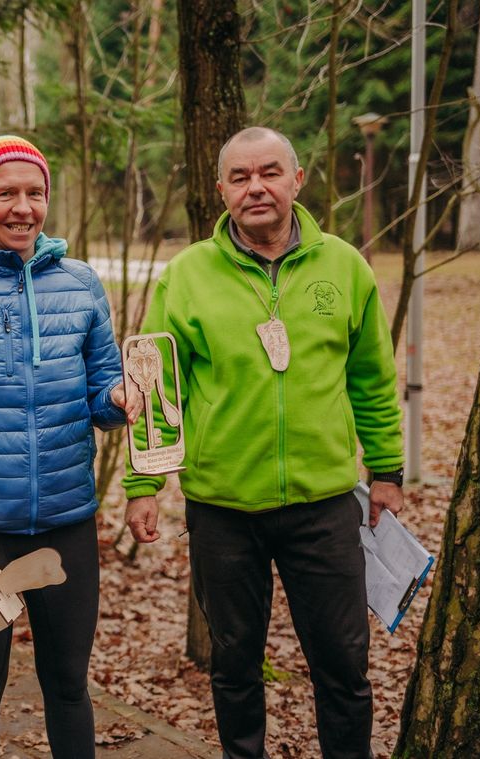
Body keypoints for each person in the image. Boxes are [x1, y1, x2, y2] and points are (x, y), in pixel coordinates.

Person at [122, 126, 405, 759]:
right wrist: (143, 486)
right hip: (223, 509)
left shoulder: (345, 266)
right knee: (234, 669)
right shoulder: (186, 277)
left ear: (297, 180)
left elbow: (372, 379)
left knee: (343, 668)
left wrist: (386, 469)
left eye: (270, 173)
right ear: (221, 189)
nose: (257, 188)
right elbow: (152, 386)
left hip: (325, 506)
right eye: (241, 177)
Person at [0, 135, 139, 759]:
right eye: (5, 193)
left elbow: (99, 393)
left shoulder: (82, 284)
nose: (22, 208)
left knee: (68, 685)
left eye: (34, 193)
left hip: (67, 523)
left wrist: (118, 402)